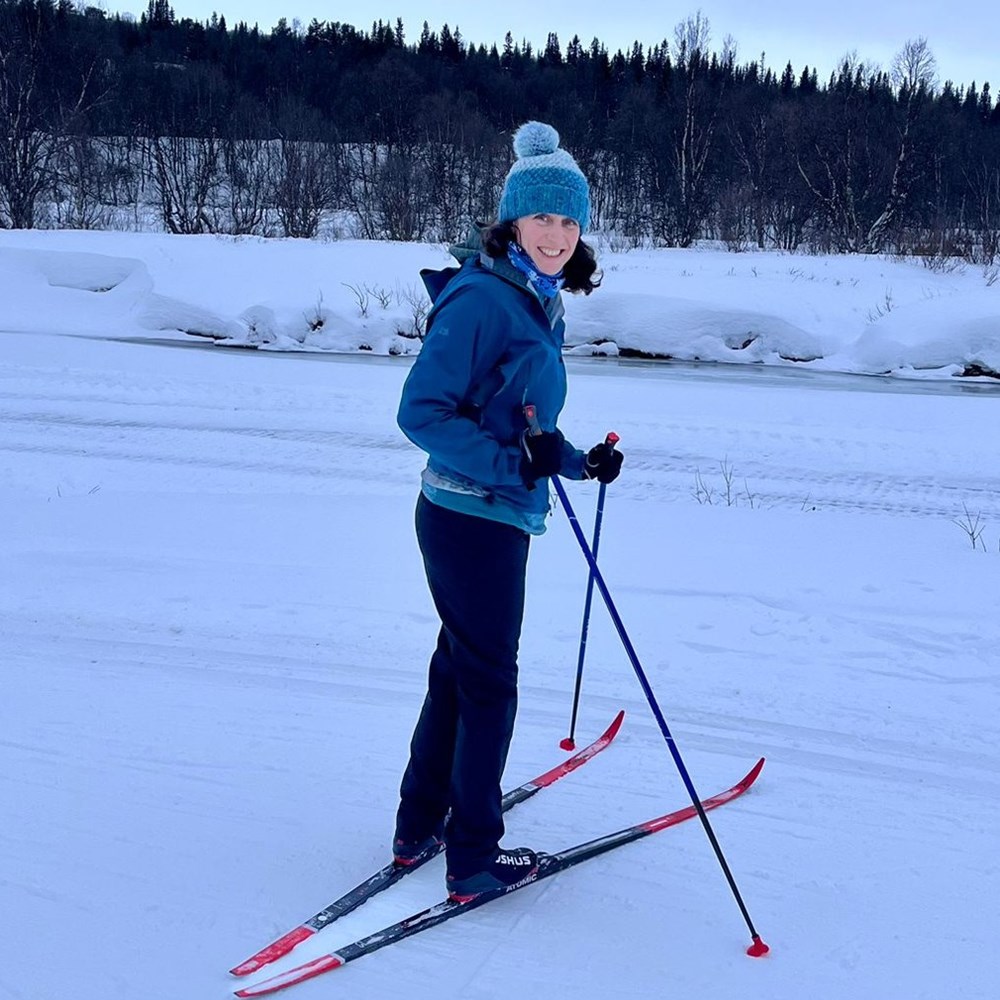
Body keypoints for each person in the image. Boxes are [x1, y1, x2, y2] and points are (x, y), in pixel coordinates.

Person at [392, 121, 624, 901]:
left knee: (460, 671)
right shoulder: (484, 298)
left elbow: (514, 417)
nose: (557, 234)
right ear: (511, 220)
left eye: (569, 220)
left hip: (485, 511)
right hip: (470, 518)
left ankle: (419, 823)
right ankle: (473, 860)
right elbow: (421, 413)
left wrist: (573, 459)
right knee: (490, 682)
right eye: (542, 218)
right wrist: (510, 467)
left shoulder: (533, 296)